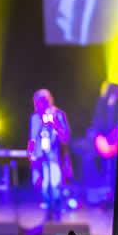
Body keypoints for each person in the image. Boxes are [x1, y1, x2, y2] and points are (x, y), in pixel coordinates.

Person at [27, 88, 72, 218]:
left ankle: (56, 213)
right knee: (42, 185)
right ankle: (48, 213)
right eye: (38, 102)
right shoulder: (35, 118)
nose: (40, 105)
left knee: (54, 184)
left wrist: (54, 124)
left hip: (54, 156)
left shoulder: (58, 114)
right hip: (39, 156)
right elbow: (32, 138)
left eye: (43, 101)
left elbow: (65, 137)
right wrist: (30, 153)